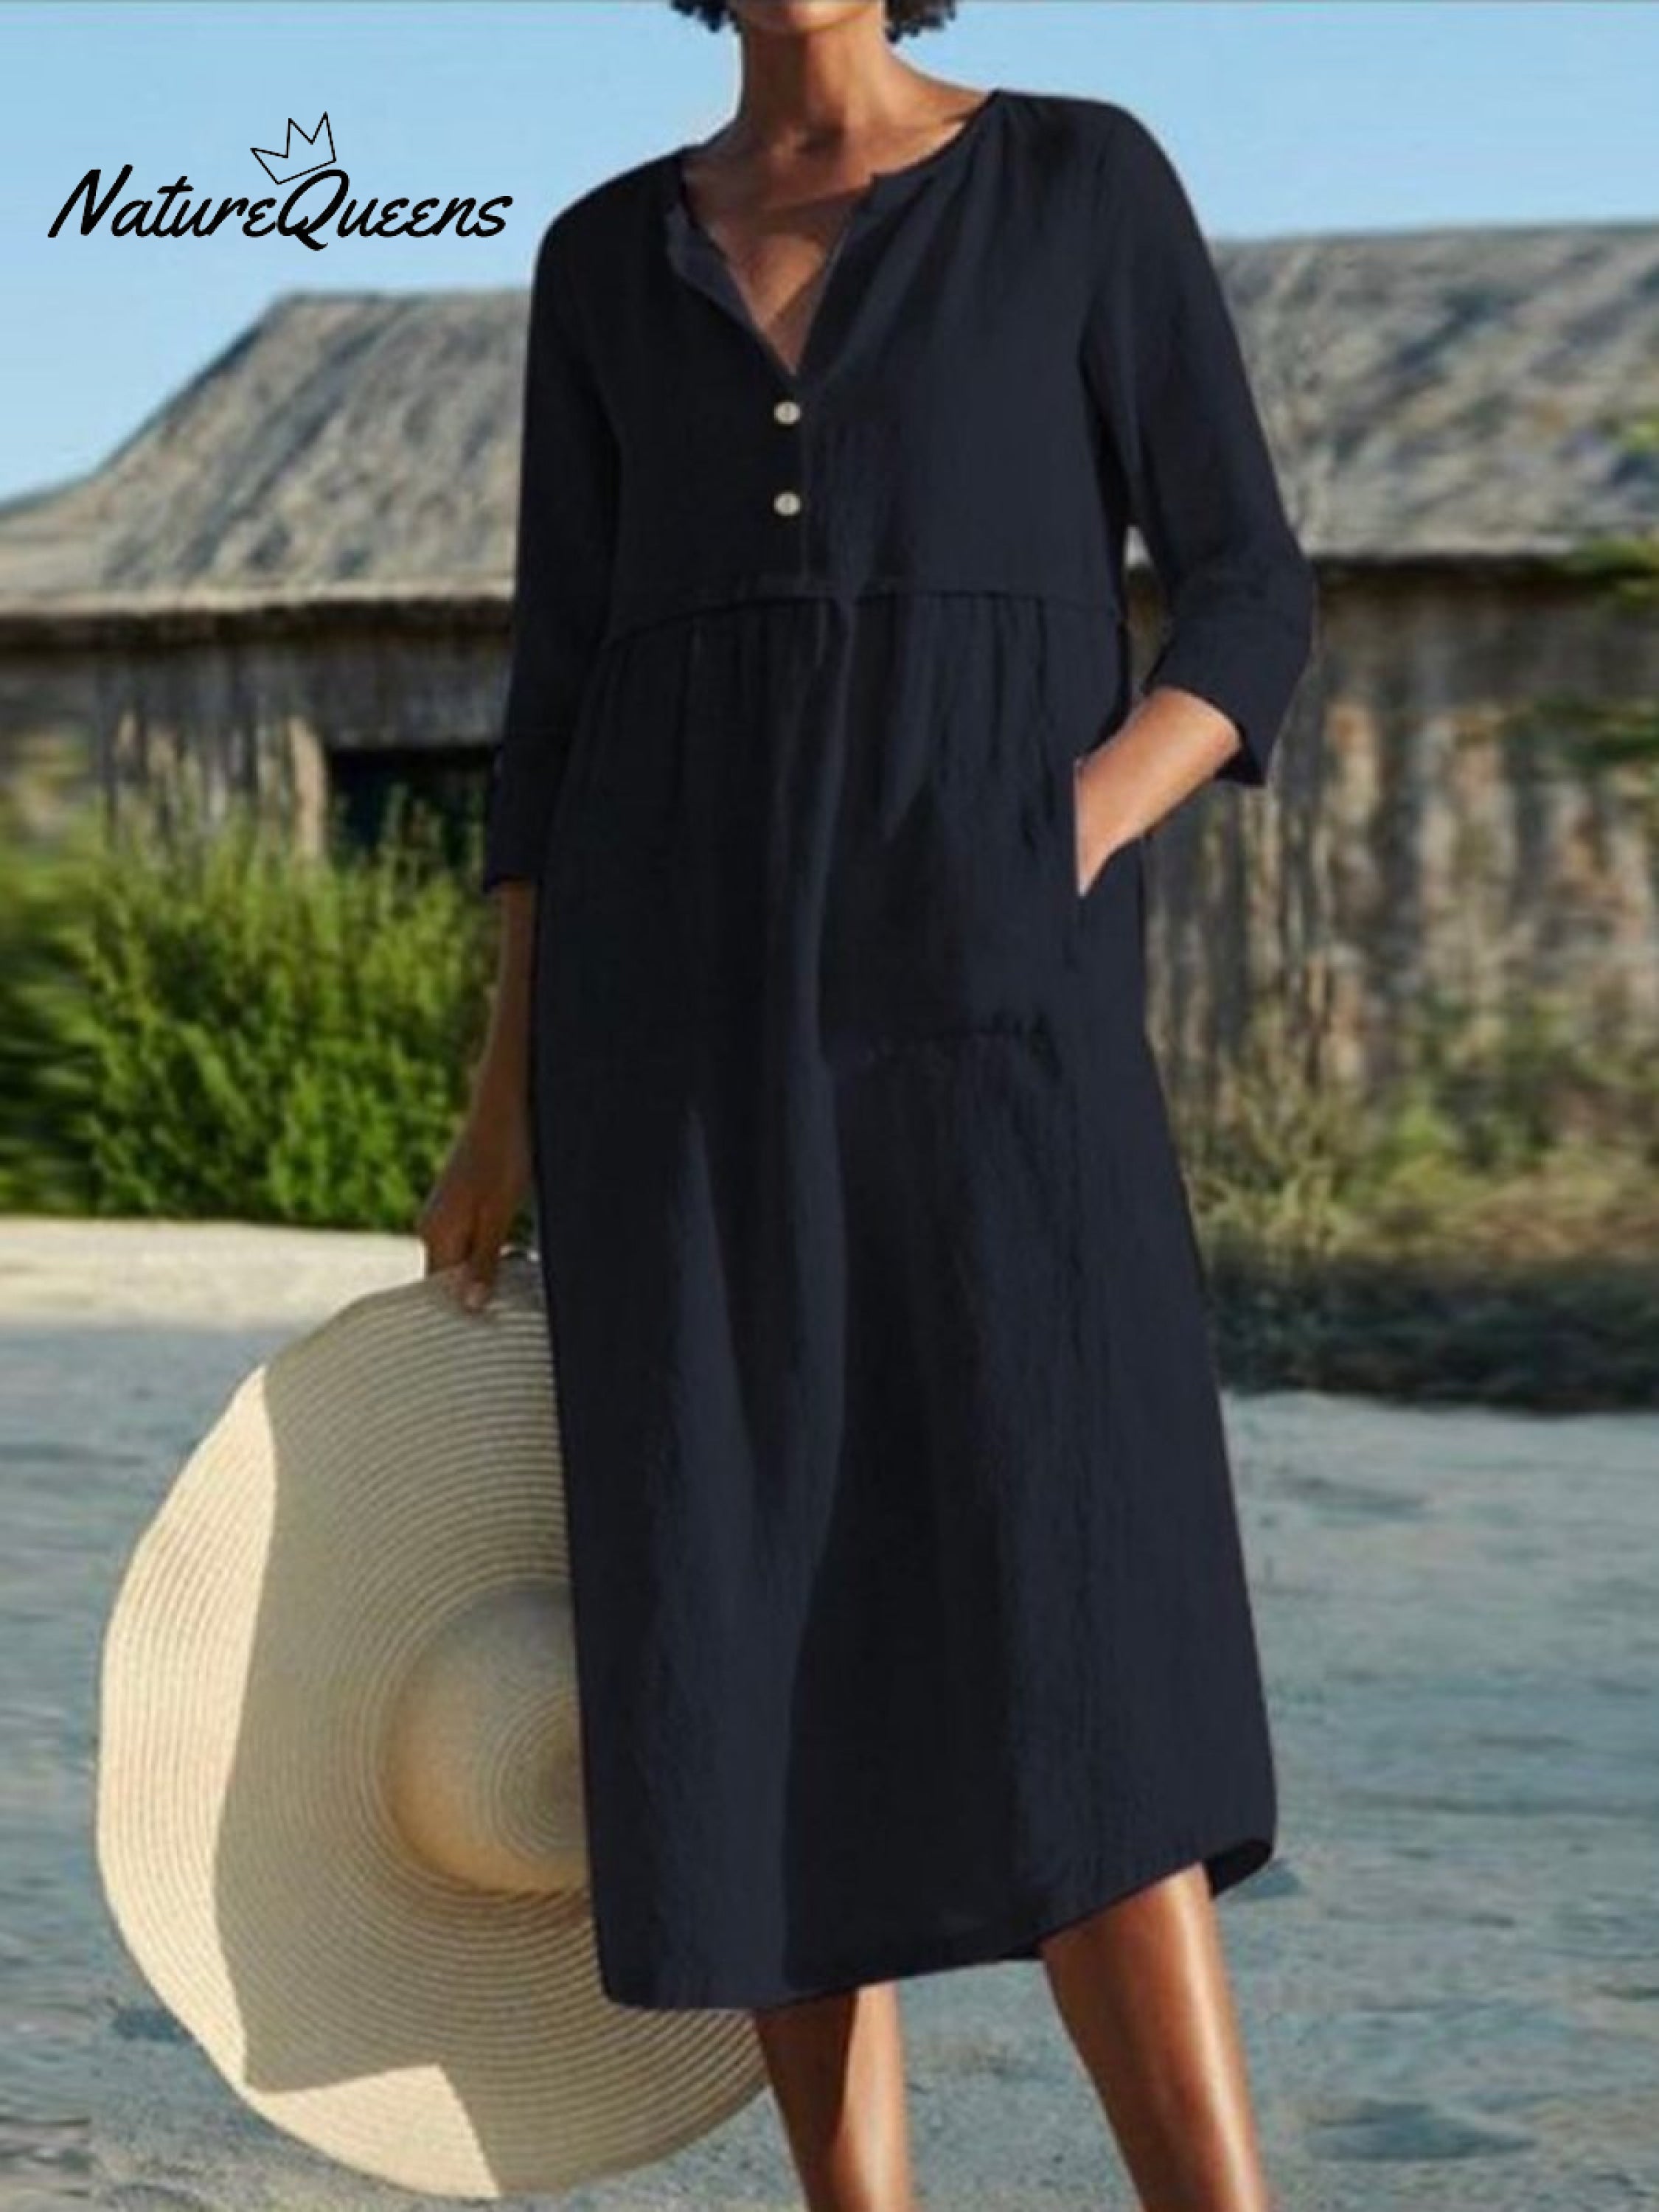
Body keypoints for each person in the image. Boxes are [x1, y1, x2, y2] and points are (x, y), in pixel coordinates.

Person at [419, 4, 1318, 2206]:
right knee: (740, 1624)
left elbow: (1247, 592)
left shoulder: (1078, 181)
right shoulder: (605, 255)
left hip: (997, 1013)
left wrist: (1066, 829)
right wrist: (503, 1092)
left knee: (1078, 1618)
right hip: (670, 1036)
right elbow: (558, 693)